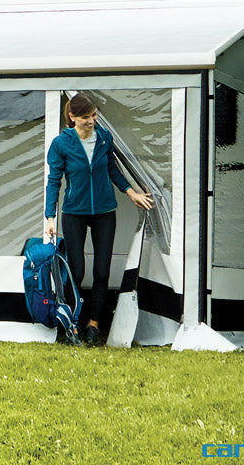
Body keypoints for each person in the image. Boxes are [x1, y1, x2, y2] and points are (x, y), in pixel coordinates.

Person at [44, 93, 152, 346]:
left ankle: (94, 324)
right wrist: (50, 216)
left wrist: (131, 192)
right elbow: (54, 181)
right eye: (86, 117)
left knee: (102, 272)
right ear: (73, 117)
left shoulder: (104, 137)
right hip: (74, 213)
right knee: (77, 271)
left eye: (94, 115)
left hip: (104, 212)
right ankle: (72, 323)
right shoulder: (61, 144)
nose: (92, 120)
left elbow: (112, 169)